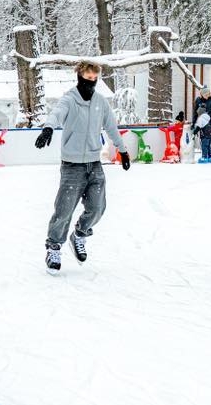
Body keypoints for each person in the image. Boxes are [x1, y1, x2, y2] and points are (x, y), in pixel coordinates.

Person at [35, 61, 131, 274]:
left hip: (94, 164)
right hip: (72, 166)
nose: (91, 83)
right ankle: (54, 247)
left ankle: (79, 234)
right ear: (79, 76)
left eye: (94, 79)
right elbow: (57, 113)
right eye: (87, 78)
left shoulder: (100, 102)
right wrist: (48, 128)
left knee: (98, 208)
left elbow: (111, 127)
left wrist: (122, 150)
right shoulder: (69, 99)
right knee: (64, 210)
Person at [192, 87, 211, 161]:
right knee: (208, 144)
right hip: (208, 129)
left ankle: (204, 157)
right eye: (206, 94)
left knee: (204, 144)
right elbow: (195, 113)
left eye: (208, 94)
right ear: (201, 94)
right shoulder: (198, 100)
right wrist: (194, 123)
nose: (207, 96)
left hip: (208, 124)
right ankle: (210, 157)